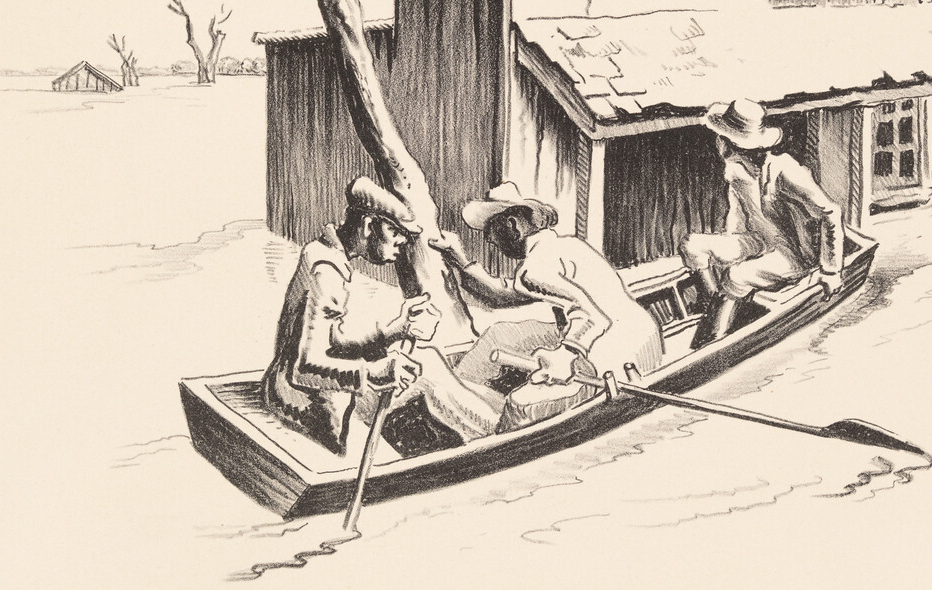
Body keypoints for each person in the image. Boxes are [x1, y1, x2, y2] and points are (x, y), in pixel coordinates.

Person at [262, 177, 503, 459]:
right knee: (429, 373)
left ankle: (493, 429)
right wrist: (375, 372)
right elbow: (304, 368)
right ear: (367, 225)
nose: (402, 241)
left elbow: (331, 338)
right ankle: (498, 440)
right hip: (305, 398)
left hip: (302, 388)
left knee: (429, 360)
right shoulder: (326, 271)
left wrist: (394, 331)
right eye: (394, 230)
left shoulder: (327, 254)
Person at [431, 182, 664, 430]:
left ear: (513, 226)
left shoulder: (534, 268)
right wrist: (460, 259)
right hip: (642, 338)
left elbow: (591, 317)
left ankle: (491, 432)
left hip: (610, 362)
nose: (490, 241)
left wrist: (564, 356)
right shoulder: (568, 246)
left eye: (491, 231)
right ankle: (464, 387)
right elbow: (503, 295)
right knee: (499, 335)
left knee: (519, 405)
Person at [680, 98, 844, 347]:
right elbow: (737, 218)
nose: (718, 143)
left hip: (794, 253)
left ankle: (713, 340)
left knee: (737, 275)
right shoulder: (736, 172)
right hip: (758, 241)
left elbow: (831, 212)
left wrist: (831, 270)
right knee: (692, 245)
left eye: (721, 137)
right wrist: (731, 248)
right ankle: (720, 308)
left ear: (732, 144)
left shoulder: (785, 170)